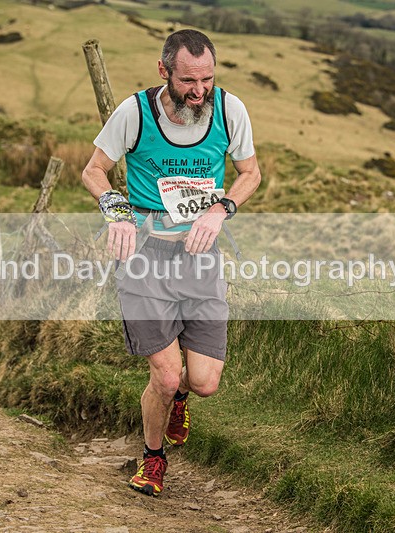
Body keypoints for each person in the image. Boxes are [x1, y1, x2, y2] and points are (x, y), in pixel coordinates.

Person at [81, 29, 261, 496]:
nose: (199, 91)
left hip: (200, 258)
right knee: (164, 375)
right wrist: (117, 212)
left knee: (203, 382)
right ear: (164, 71)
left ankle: (181, 397)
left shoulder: (230, 110)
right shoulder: (134, 112)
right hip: (145, 258)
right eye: (188, 81)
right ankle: (153, 458)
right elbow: (94, 170)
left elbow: (250, 173)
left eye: (207, 79)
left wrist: (222, 209)